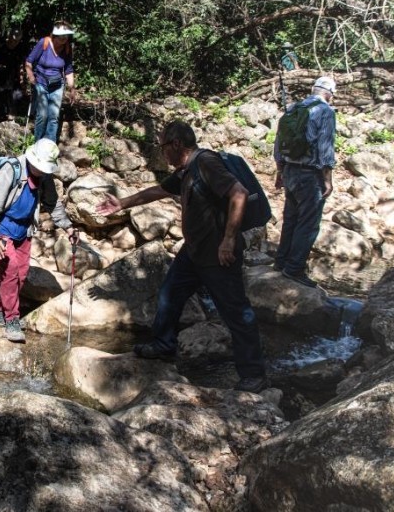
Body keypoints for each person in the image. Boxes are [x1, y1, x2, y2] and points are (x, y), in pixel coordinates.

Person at [95, 120, 268, 393]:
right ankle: (164, 345)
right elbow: (159, 190)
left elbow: (239, 194)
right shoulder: (186, 170)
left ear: (176, 144)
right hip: (194, 251)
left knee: (236, 313)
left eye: (163, 146)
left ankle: (254, 374)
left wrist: (229, 239)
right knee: (169, 294)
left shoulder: (206, 163)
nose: (162, 153)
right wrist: (122, 203)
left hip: (218, 254)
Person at [0, 138, 78, 343]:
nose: (42, 171)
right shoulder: (11, 170)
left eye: (45, 168)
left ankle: (1, 312)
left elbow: (52, 203)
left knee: (22, 274)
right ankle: (12, 320)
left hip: (24, 229)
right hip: (3, 228)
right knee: (11, 270)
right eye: (40, 167)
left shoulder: (44, 176)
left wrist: (68, 227)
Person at [273, 76, 337, 288]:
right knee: (308, 223)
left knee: (290, 218)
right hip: (310, 174)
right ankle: (294, 269)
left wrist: (280, 170)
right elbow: (325, 147)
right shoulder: (326, 111)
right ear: (329, 94)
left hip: (290, 170)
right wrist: (327, 179)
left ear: (313, 89)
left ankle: (280, 262)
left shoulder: (293, 108)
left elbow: (279, 141)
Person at [25, 21, 76, 143]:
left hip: (57, 85)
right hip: (41, 83)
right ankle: (38, 143)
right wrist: (31, 76)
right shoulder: (44, 43)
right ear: (55, 35)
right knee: (42, 115)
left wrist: (72, 89)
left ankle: (50, 145)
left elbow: (68, 70)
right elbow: (29, 62)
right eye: (62, 36)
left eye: (66, 36)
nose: (64, 38)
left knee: (53, 116)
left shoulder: (67, 48)